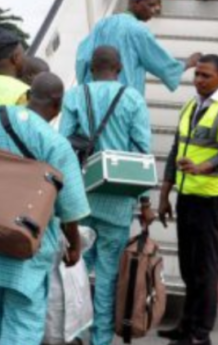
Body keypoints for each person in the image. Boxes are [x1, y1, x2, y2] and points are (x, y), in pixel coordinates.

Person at [0, 73, 90, 345]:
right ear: (57, 102)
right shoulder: (56, 144)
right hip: (27, 250)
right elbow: (69, 209)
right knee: (23, 325)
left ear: (29, 95)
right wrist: (74, 246)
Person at [58, 46, 154, 345]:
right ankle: (101, 340)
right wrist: (145, 202)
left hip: (80, 197)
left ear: (90, 67)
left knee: (74, 271)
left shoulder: (75, 96)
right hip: (117, 200)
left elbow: (62, 145)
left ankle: (73, 335)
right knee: (109, 275)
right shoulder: (133, 99)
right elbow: (142, 152)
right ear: (120, 67)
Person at [157, 55, 218, 345]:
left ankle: (200, 333)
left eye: (206, 76)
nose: (198, 80)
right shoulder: (190, 105)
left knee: (205, 268)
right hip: (186, 195)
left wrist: (202, 167)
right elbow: (175, 150)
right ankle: (186, 325)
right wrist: (164, 194)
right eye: (197, 74)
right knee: (187, 265)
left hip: (209, 199)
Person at [76, 0, 200, 95]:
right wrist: (189, 62)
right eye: (151, 5)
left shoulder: (102, 24)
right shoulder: (138, 31)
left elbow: (82, 59)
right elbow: (162, 64)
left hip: (94, 98)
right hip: (124, 102)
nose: (155, 10)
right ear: (136, 3)